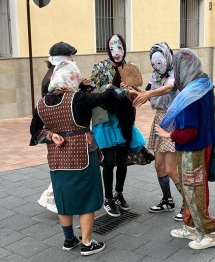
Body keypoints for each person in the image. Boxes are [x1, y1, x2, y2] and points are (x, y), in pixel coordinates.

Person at [30, 60, 137, 256]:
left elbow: (35, 132)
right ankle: (87, 243)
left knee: (63, 197)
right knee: (87, 197)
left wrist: (50, 136)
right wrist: (122, 90)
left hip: (57, 158)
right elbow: (105, 96)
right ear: (71, 78)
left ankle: (69, 239)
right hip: (82, 155)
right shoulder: (77, 99)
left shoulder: (40, 104)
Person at [155, 48, 215, 250]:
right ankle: (192, 226)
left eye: (175, 67)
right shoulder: (203, 83)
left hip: (193, 148)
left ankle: (209, 232)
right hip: (198, 145)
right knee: (190, 188)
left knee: (193, 191)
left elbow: (190, 131)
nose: (175, 72)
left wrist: (169, 134)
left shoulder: (191, 94)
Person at [90, 34, 146, 217]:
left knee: (122, 162)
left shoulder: (130, 69)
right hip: (106, 121)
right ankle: (108, 199)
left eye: (120, 47)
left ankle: (118, 194)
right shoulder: (99, 68)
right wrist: (113, 88)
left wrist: (132, 92)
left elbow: (138, 94)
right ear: (107, 49)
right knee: (109, 161)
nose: (116, 52)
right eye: (113, 48)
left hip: (123, 121)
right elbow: (94, 91)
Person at [138, 42, 183, 221]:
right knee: (159, 165)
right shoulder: (155, 76)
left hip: (173, 119)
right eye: (154, 63)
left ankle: (188, 204)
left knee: (172, 169)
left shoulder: (175, 73)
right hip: (159, 119)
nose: (158, 66)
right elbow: (146, 91)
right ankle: (167, 200)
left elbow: (169, 87)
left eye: (160, 62)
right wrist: (132, 91)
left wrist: (148, 95)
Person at [38, 41, 78, 213]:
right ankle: (53, 200)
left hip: (60, 127)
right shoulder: (54, 77)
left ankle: (60, 199)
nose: (71, 60)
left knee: (65, 165)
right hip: (60, 128)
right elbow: (54, 104)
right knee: (64, 166)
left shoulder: (55, 73)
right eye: (69, 57)